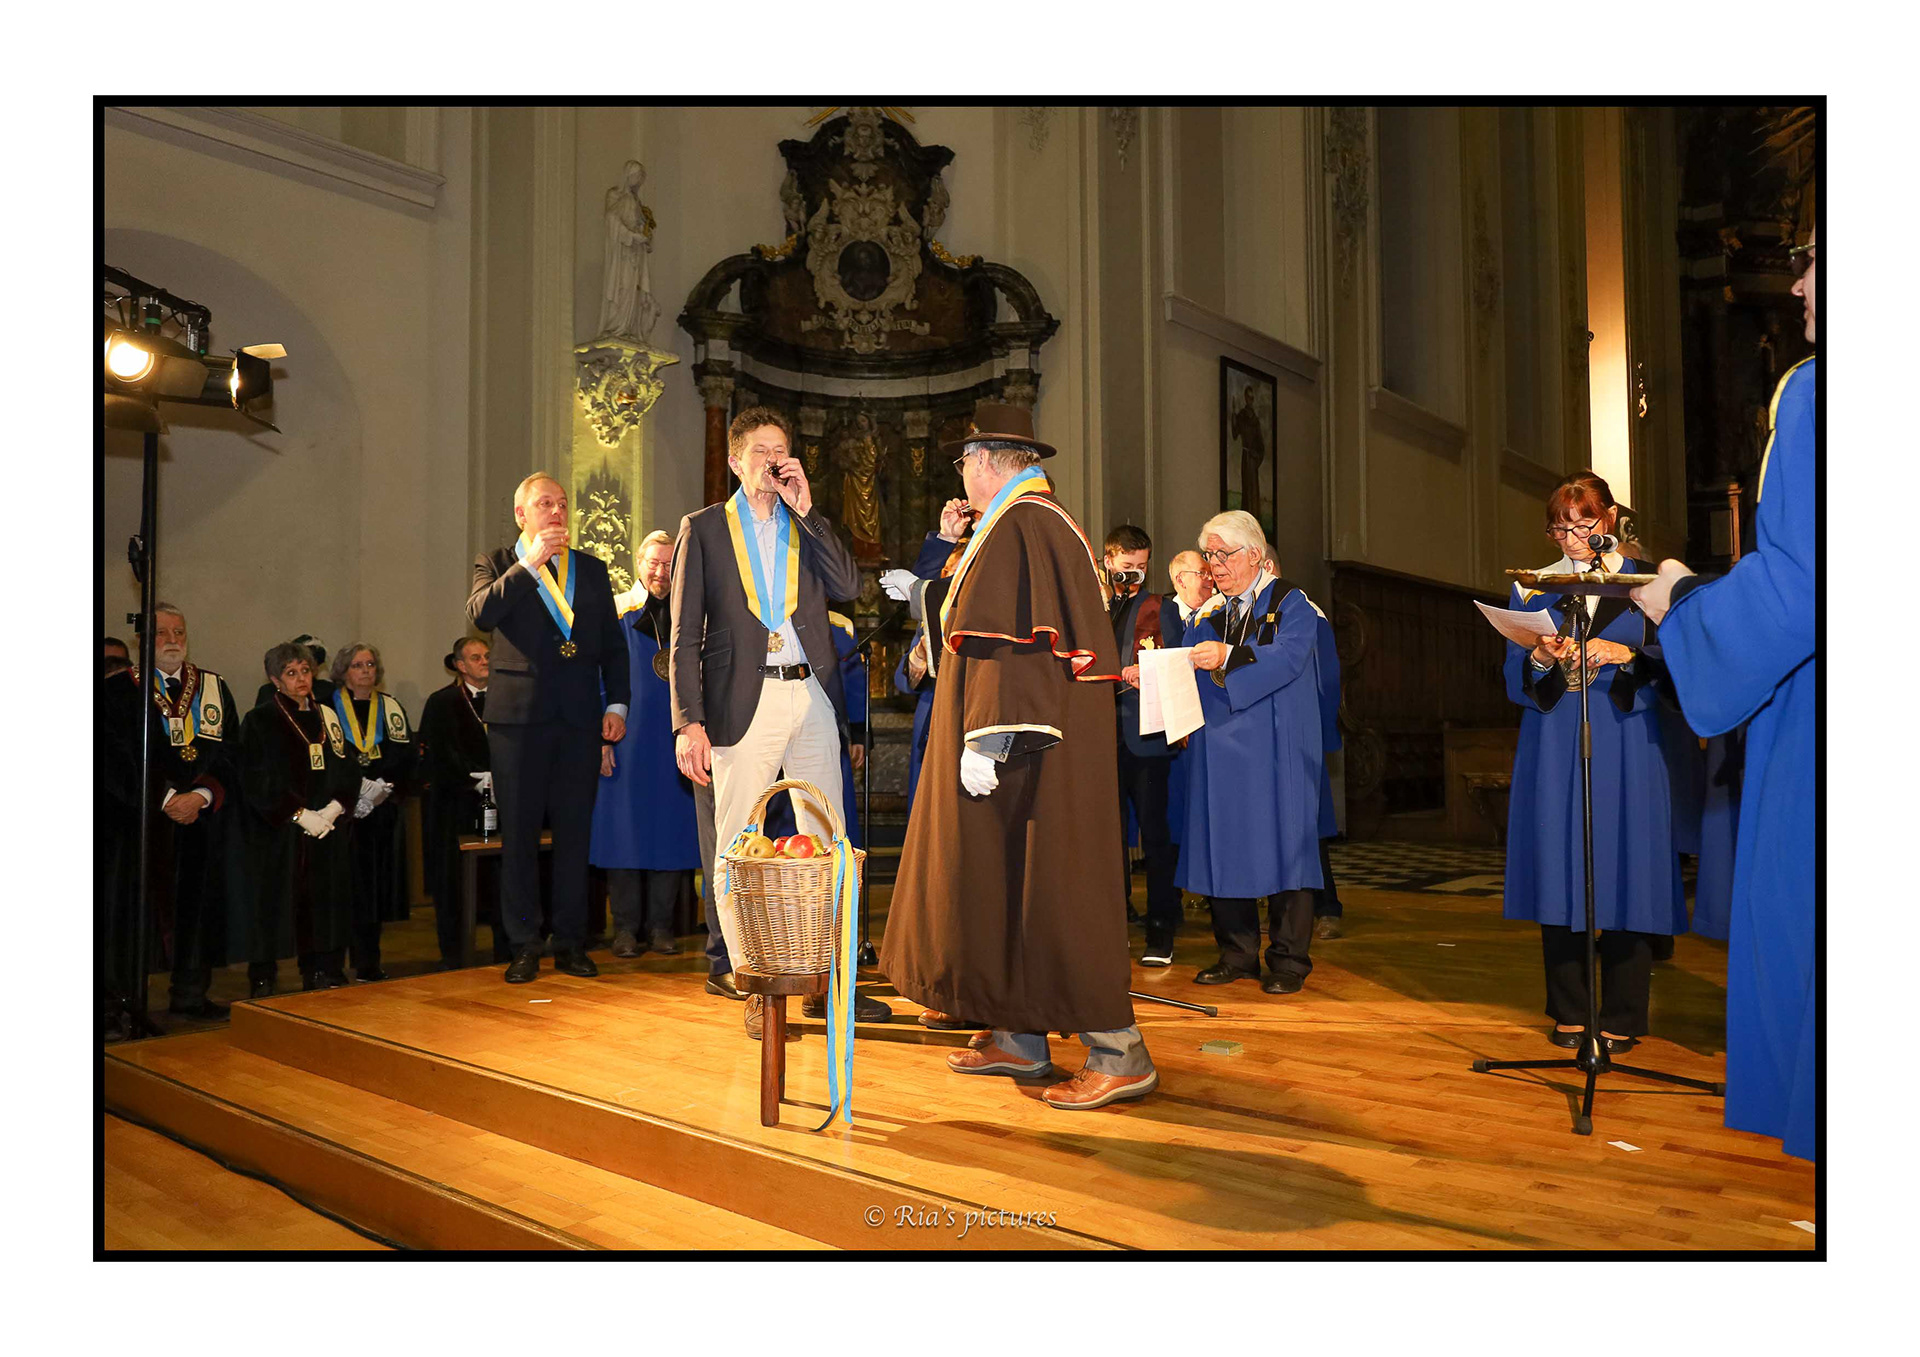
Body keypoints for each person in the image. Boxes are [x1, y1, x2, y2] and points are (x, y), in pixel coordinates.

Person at [881, 403, 1157, 1111]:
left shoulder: (1025, 522)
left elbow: (1016, 647)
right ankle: (1020, 1035)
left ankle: (1120, 1051)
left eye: (963, 461)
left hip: (1030, 746)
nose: (962, 473)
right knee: (1012, 885)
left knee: (1057, 888)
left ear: (985, 461)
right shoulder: (1022, 520)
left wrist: (987, 735)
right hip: (1025, 743)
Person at [1629, 231, 1817, 1160]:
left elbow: (1799, 586)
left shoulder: (1818, 392)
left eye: (1817, 258)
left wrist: (1682, 604)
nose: (1800, 280)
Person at [669, 406, 890, 1039]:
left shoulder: (805, 521)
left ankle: (830, 985)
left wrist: (809, 511)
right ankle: (754, 987)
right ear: (736, 461)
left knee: (829, 843)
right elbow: (684, 634)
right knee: (738, 846)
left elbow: (848, 585)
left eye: (780, 450)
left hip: (810, 693)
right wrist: (688, 722)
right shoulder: (703, 529)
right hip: (742, 699)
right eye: (760, 450)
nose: (772, 460)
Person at [1503, 473, 1686, 1053]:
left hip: (1627, 737)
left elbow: (1679, 662)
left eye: (1582, 525)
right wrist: (1539, 657)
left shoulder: (1645, 582)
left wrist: (1626, 653)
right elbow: (1512, 680)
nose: (1572, 539)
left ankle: (1624, 1013)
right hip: (1555, 739)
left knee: (1628, 866)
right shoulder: (1534, 587)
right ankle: (1569, 1008)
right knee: (1560, 864)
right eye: (1559, 529)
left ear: (1608, 518)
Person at [469, 473, 630, 985]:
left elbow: (613, 647)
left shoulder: (591, 569)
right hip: (517, 722)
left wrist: (617, 705)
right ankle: (523, 944)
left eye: (562, 504)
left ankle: (571, 943)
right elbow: (481, 613)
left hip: (579, 719)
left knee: (574, 836)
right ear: (522, 514)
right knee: (518, 835)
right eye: (545, 504)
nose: (557, 512)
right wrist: (529, 564)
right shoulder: (497, 563)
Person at [1179, 511, 1326, 996]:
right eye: (1210, 555)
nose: (1215, 565)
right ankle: (1237, 954)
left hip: (1277, 747)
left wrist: (1228, 656)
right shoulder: (1209, 613)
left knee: (1287, 845)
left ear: (1256, 555)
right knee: (1224, 843)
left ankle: (1288, 959)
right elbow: (1185, 664)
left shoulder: (1292, 602)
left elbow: (1289, 657)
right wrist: (1153, 675)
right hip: (1220, 747)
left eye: (1224, 554)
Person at [96, 604, 237, 1019]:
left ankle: (190, 995)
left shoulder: (213, 687)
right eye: (161, 632)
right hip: (138, 823)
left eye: (179, 631)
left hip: (199, 821)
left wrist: (202, 796)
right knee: (129, 914)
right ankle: (117, 1005)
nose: (172, 639)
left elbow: (231, 752)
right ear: (142, 639)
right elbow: (111, 757)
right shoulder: (116, 690)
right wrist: (165, 798)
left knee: (198, 909)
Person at [591, 531, 700, 958]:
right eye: (654, 562)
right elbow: (598, 676)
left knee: (670, 833)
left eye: (669, 564)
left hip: (675, 740)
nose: (660, 571)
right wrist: (601, 740)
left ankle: (661, 928)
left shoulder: (691, 614)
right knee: (623, 834)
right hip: (626, 738)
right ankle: (624, 929)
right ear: (639, 564)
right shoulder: (616, 611)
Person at [232, 642, 358, 995]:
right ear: (275, 680)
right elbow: (255, 776)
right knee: (272, 902)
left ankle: (317, 970)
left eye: (305, 671)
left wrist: (335, 807)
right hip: (280, 830)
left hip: (324, 827)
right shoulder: (260, 719)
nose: (301, 679)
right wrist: (298, 813)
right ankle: (263, 975)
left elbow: (346, 766)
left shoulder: (327, 715)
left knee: (320, 901)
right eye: (291, 673)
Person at [1105, 525, 1186, 967]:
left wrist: (1147, 673)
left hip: (1147, 738)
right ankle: (1113, 927)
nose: (1134, 573)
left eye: (1141, 566)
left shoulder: (1160, 607)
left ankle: (1161, 929)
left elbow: (1178, 664)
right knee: (1107, 839)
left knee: (1155, 837)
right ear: (1109, 561)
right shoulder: (1094, 604)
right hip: (1101, 739)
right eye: (1127, 565)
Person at [329, 643, 417, 982]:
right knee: (341, 888)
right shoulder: (328, 707)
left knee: (373, 891)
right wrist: (355, 789)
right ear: (343, 672)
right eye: (357, 665)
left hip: (381, 811)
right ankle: (331, 965)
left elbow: (406, 755)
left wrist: (384, 787)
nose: (366, 670)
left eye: (370, 664)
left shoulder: (390, 707)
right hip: (341, 812)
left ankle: (368, 961)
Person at [418, 637, 501, 967]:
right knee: (453, 879)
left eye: (487, 655)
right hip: (455, 804)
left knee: (500, 877)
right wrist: (472, 778)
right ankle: (454, 953)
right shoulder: (442, 702)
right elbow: (437, 753)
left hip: (500, 800)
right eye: (476, 657)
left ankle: (507, 947)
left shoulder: (505, 696)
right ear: (460, 666)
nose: (484, 661)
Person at [1308, 592, 1346, 940]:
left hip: (1303, 737)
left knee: (1312, 829)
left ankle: (1327, 907)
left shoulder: (1306, 610)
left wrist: (1320, 733)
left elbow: (1327, 679)